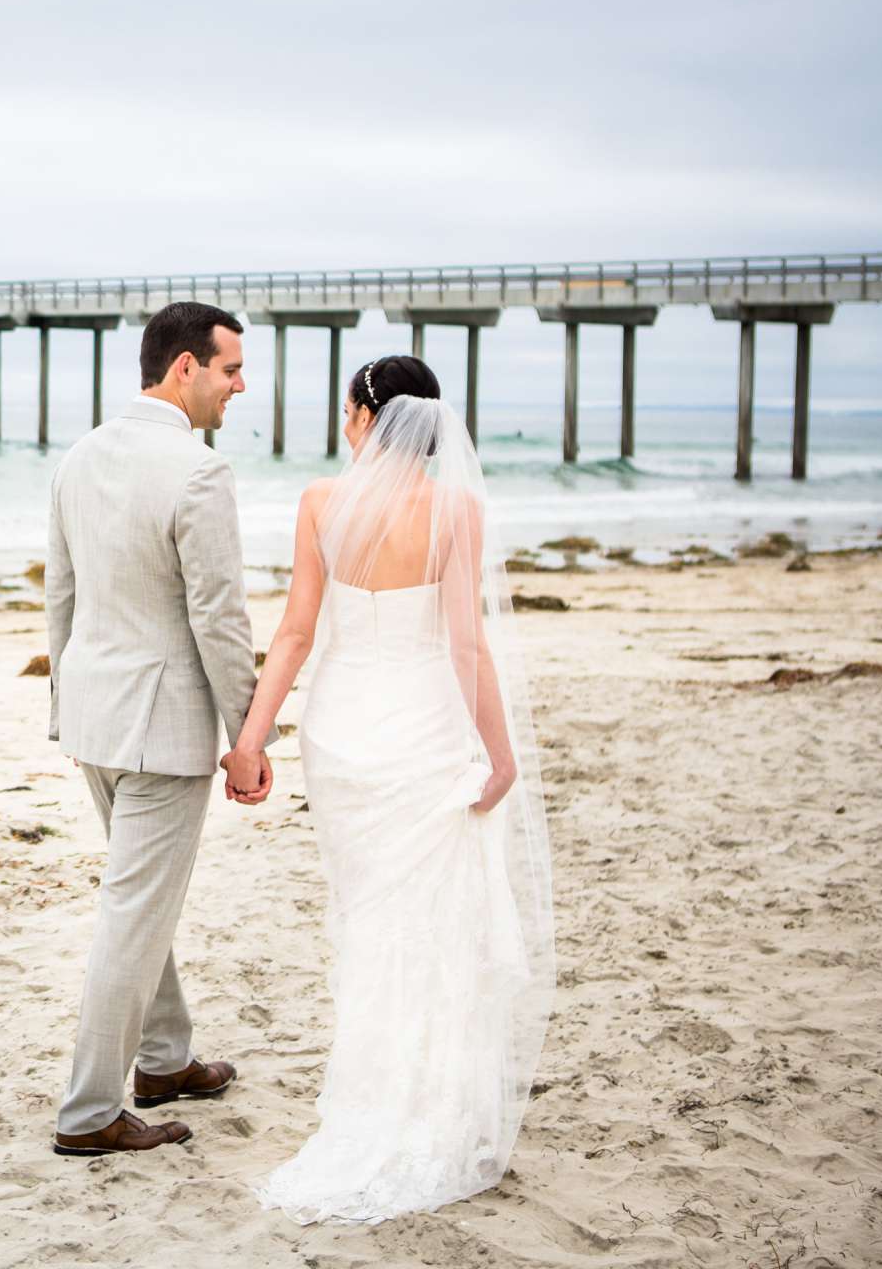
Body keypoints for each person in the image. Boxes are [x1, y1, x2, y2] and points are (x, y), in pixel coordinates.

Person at [232, 354, 557, 1222]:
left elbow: (296, 633)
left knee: (369, 920)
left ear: (359, 416)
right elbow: (465, 647)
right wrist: (502, 751)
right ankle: (428, 1108)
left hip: (340, 734)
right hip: (423, 729)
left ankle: (373, 1101)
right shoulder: (456, 508)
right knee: (434, 925)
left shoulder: (318, 505)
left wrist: (251, 740)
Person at [43, 301, 271, 1158]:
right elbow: (219, 616)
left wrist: (67, 701)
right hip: (163, 730)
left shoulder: (80, 456)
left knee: (144, 901)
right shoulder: (199, 471)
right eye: (230, 370)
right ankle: (89, 1112)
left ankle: (166, 1060)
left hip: (94, 716)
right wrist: (250, 735)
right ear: (184, 367)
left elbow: (59, 594)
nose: (239, 386)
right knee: (134, 912)